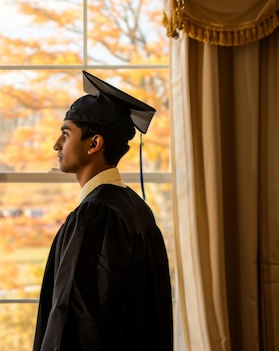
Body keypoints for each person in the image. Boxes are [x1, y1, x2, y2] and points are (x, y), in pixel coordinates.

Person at [33, 71, 173, 350]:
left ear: (94, 144)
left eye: (65, 133)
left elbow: (76, 324)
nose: (56, 145)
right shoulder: (135, 208)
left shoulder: (96, 216)